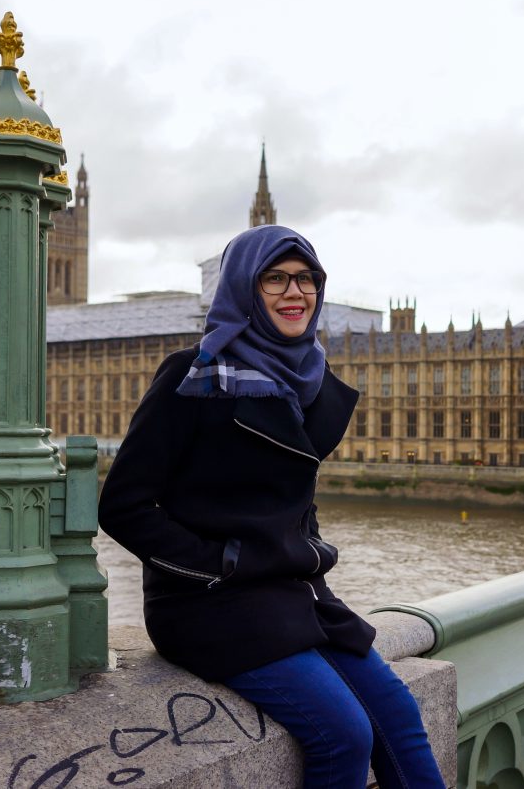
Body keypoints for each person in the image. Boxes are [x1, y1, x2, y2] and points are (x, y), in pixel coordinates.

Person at [98, 224, 444, 788]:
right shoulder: (194, 375)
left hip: (293, 590)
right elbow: (123, 504)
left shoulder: (310, 379)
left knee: (400, 717)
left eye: (306, 279)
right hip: (209, 601)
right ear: (244, 289)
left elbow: (294, 502)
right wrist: (216, 563)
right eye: (275, 279)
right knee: (343, 734)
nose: (295, 292)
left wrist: (305, 556)